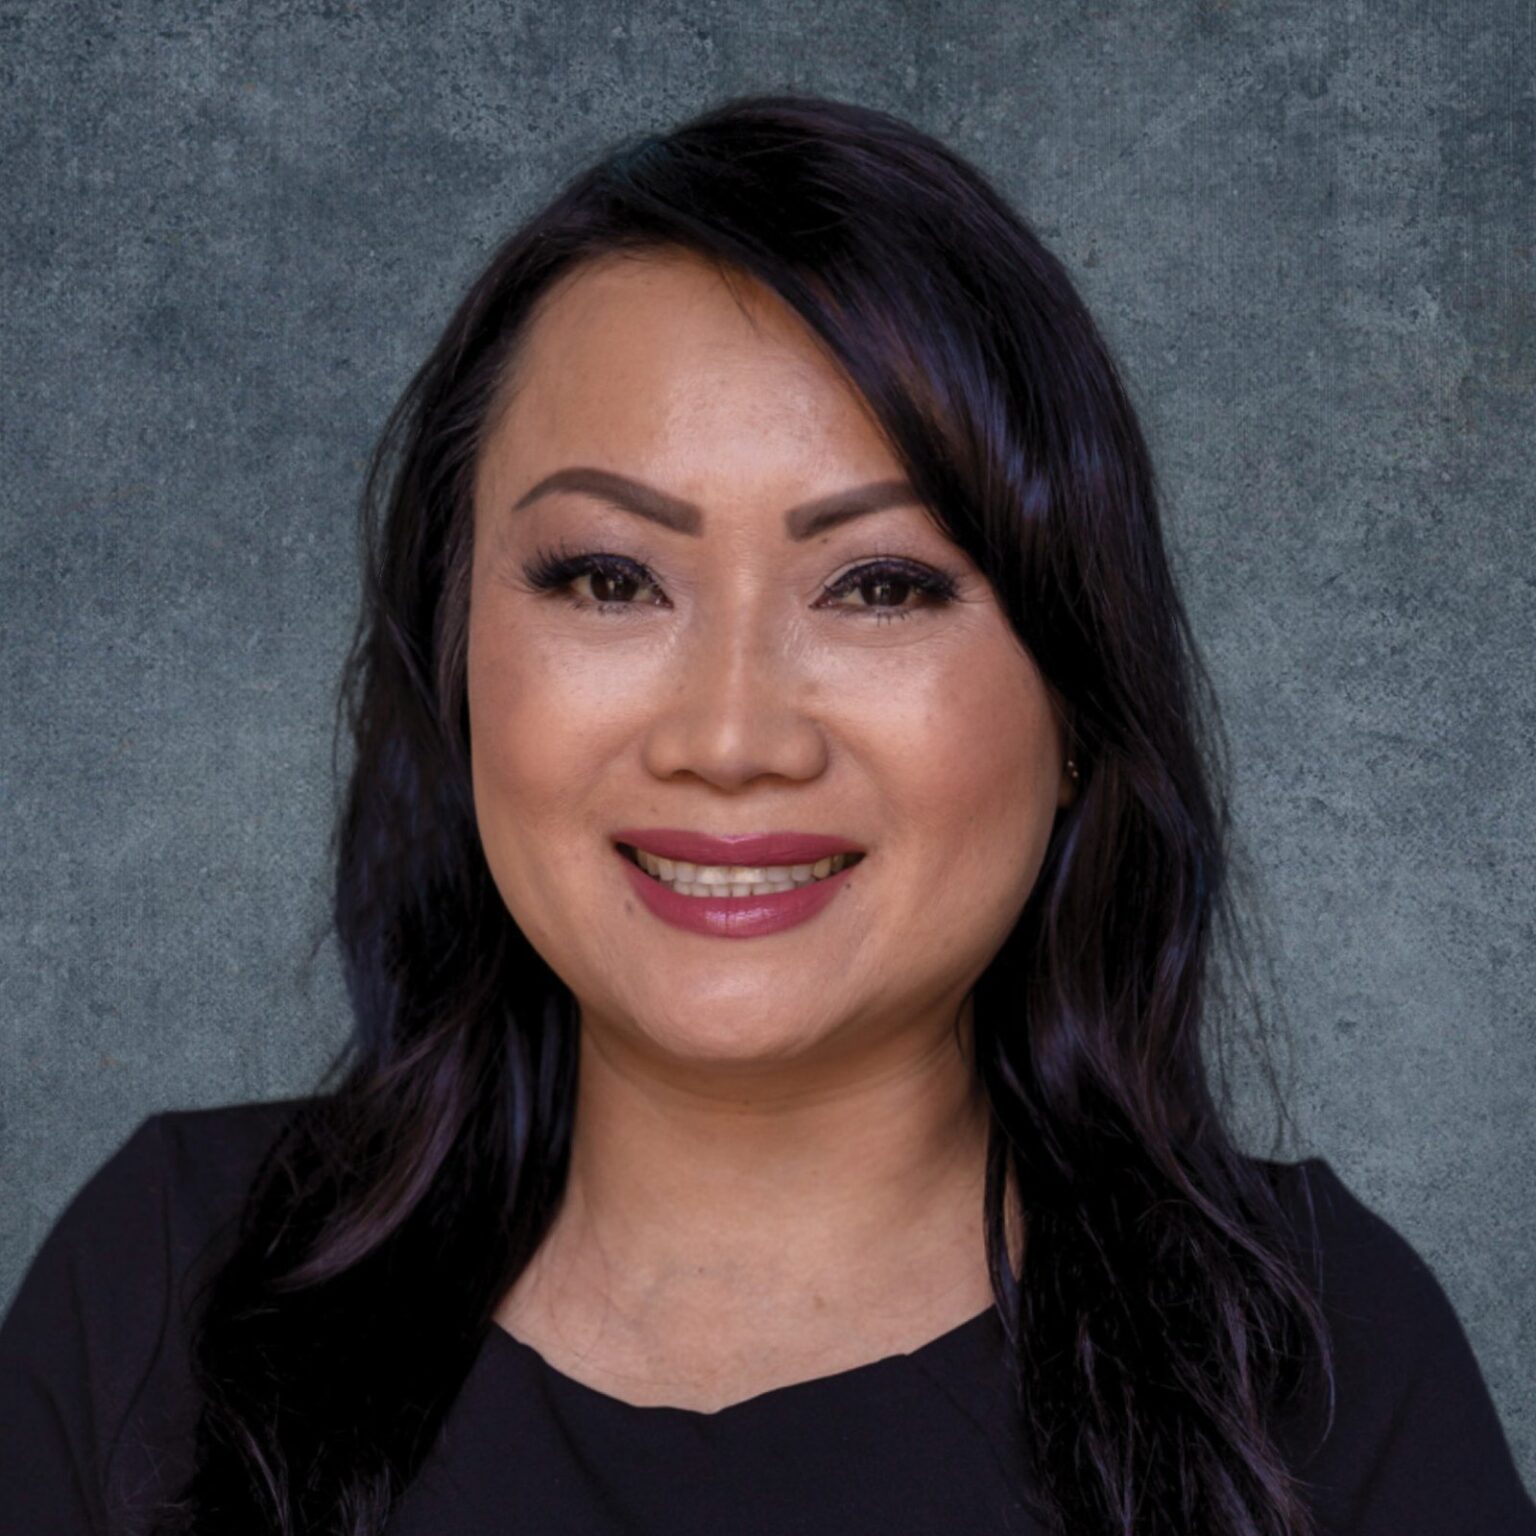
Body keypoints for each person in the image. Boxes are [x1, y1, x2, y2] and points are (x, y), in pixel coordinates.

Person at [1, 91, 1532, 1536]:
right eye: (609, 578)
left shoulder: (1314, 1365)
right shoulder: (161, 1292)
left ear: (1077, 703)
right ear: (456, 662)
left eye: (883, 587)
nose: (730, 740)